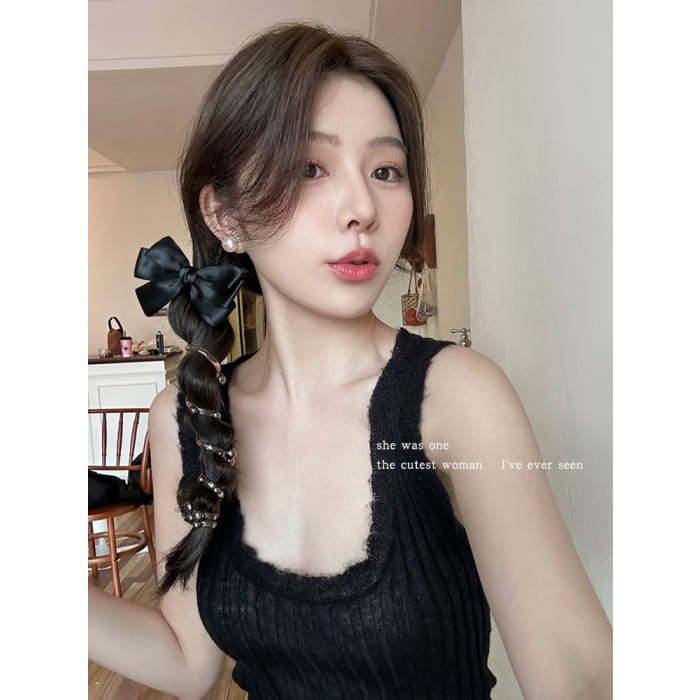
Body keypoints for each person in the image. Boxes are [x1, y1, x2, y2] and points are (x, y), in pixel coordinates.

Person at [89, 21, 612, 700]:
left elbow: (579, 674)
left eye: (386, 171)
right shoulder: (183, 418)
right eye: (310, 167)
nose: (363, 207)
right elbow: (188, 663)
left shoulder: (455, 398)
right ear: (225, 215)